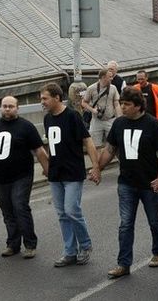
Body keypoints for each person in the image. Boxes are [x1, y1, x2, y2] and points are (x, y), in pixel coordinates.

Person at [93, 87, 158, 279]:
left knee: (154, 221)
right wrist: (97, 169)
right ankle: (123, 264)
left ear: (138, 106)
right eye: (121, 104)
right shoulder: (119, 124)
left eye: (127, 104)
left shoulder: (152, 124)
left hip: (149, 183)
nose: (123, 107)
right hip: (126, 183)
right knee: (125, 224)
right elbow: (110, 150)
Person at [0, 96, 49, 259]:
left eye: (11, 106)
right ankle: (13, 244)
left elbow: (39, 150)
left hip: (22, 176)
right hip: (1, 178)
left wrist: (47, 169)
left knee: (20, 207)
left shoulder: (26, 127)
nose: (7, 109)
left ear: (17, 108)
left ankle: (30, 244)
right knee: (7, 211)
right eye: (4, 106)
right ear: (1, 108)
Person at [41, 83, 99, 267]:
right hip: (55, 173)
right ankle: (69, 251)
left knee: (72, 210)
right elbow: (52, 144)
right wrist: (48, 164)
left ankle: (85, 245)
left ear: (57, 98)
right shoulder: (47, 119)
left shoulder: (72, 116)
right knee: (62, 214)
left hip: (72, 172)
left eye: (45, 98)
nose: (42, 102)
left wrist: (95, 166)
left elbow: (88, 142)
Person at [81, 69, 121, 146]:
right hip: (96, 121)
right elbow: (83, 102)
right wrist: (92, 110)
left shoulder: (113, 88)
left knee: (114, 144)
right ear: (103, 77)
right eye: (110, 77)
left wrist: (120, 118)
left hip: (110, 120)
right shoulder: (91, 88)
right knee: (95, 145)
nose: (112, 78)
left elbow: (116, 103)